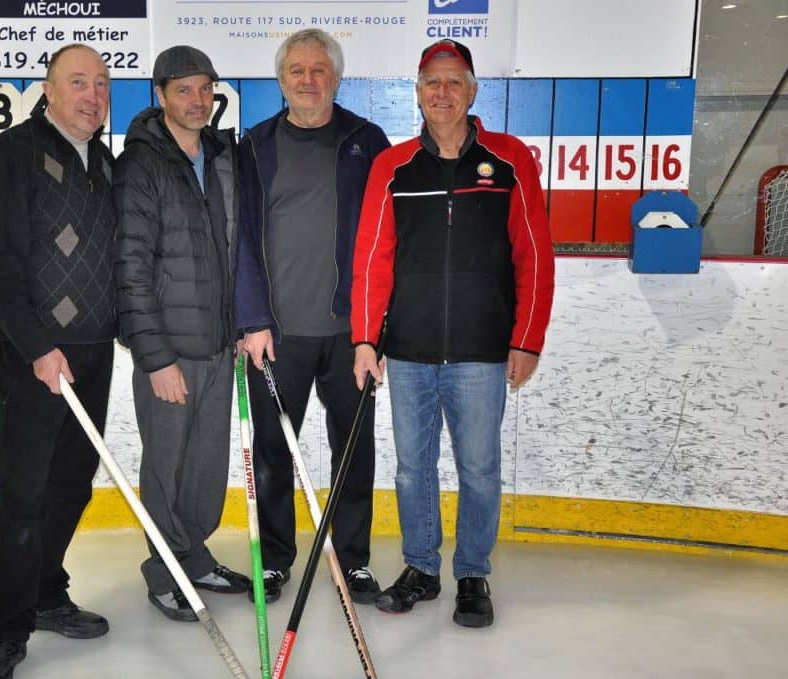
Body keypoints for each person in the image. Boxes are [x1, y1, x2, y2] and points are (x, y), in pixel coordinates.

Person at [351, 39, 555, 627]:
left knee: (480, 469)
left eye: (453, 82)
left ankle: (472, 573)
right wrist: (367, 337)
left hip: (481, 351)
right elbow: (372, 258)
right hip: (409, 351)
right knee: (412, 469)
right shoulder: (392, 168)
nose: (442, 93)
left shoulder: (510, 159)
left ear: (472, 90)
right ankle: (421, 567)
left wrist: (527, 338)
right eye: (431, 83)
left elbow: (534, 255)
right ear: (417, 93)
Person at [0, 44, 117, 678]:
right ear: (48, 92)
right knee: (24, 496)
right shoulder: (9, 158)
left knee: (70, 487)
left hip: (93, 351)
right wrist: (35, 347)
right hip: (32, 357)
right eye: (77, 82)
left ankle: (46, 593)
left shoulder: (103, 163)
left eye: (102, 84)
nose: (92, 95)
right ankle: (5, 629)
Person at [235, 28, 391, 603]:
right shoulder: (252, 147)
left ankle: (353, 561)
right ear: (281, 81)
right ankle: (275, 561)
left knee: (355, 450)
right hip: (276, 338)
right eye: (296, 71)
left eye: (319, 70)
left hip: (352, 337)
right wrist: (251, 320)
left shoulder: (366, 141)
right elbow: (241, 243)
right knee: (276, 454)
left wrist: (374, 332)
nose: (308, 80)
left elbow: (385, 241)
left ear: (336, 78)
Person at [114, 45, 250, 622]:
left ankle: (194, 557)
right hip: (169, 350)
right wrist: (155, 356)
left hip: (219, 343)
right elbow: (130, 267)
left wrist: (242, 326)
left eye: (204, 89)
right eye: (183, 90)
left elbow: (240, 248)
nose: (197, 101)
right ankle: (165, 570)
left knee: (205, 466)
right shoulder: (141, 165)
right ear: (161, 95)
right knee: (166, 466)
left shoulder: (223, 155)